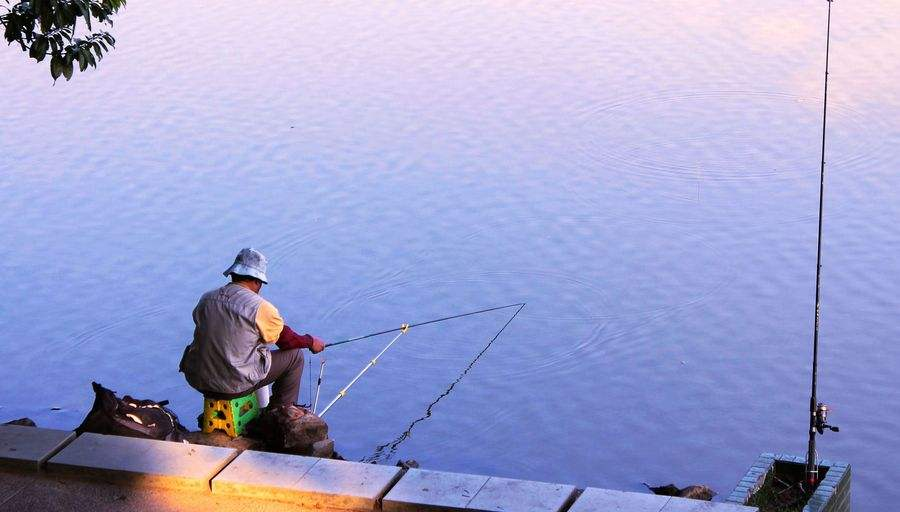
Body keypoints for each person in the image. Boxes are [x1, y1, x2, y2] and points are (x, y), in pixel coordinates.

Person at [179, 248, 326, 410]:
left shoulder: (206, 298)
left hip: (199, 380)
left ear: (233, 275)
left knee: (253, 351)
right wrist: (310, 342)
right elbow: (287, 341)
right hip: (233, 386)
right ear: (257, 281)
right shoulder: (260, 307)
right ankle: (282, 413)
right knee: (295, 356)